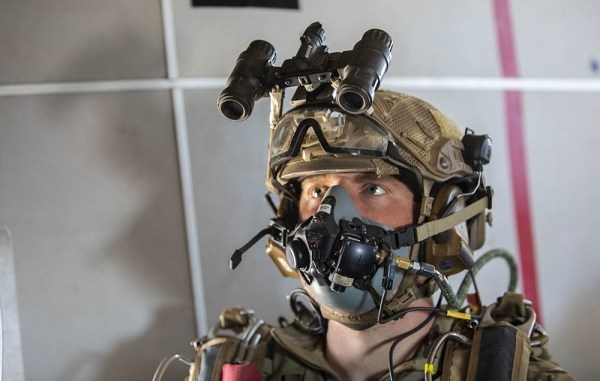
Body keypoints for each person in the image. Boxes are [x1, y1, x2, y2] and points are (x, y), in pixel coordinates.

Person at [154, 23, 575, 381]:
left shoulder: (505, 370)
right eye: (317, 190)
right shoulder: (243, 366)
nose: (329, 215)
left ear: (442, 224)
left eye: (372, 188)